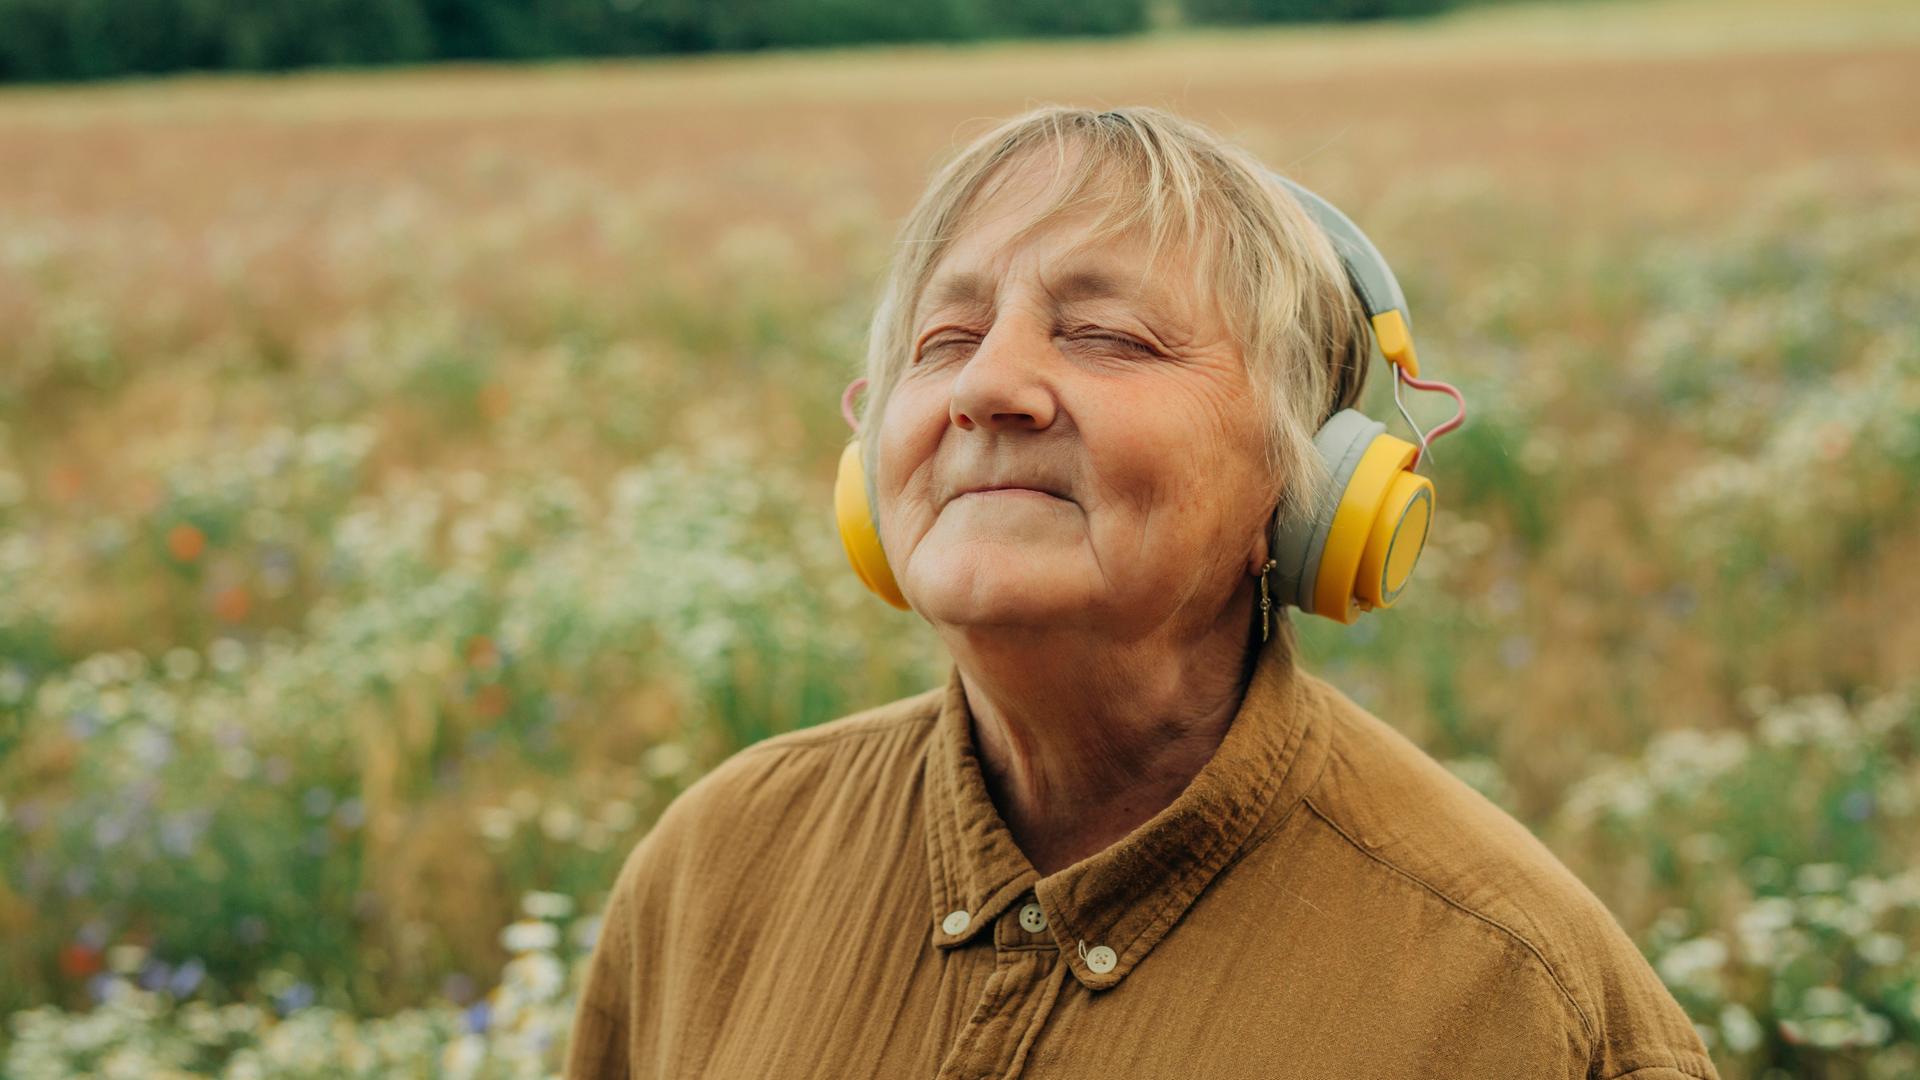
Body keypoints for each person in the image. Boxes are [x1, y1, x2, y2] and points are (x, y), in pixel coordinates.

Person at [565, 105, 1717, 1080]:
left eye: (1109, 336)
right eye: (946, 337)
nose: (990, 385)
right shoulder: (717, 861)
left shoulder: (1520, 1002)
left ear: (1308, 487)